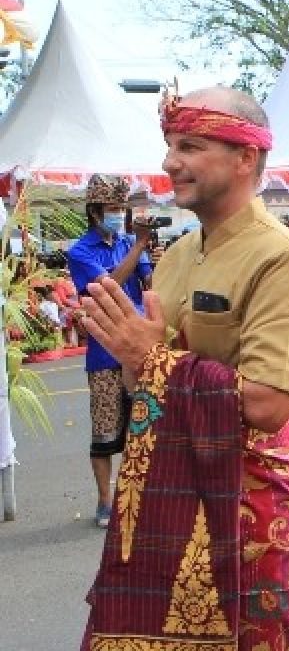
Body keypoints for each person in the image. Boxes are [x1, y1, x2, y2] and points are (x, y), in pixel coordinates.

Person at [79, 85, 289, 649]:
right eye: (169, 145)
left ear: (245, 157)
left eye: (189, 145)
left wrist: (154, 361)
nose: (170, 162)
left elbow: (268, 404)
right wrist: (135, 362)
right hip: (172, 485)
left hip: (256, 499)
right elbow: (144, 380)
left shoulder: (282, 257)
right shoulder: (179, 256)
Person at [66, 174, 155, 528]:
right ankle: (105, 500)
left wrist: (146, 252)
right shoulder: (81, 251)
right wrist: (138, 248)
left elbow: (148, 283)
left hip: (139, 344)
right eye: (112, 208)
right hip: (104, 348)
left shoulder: (130, 241)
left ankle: (136, 497)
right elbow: (108, 287)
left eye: (122, 207)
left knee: (143, 426)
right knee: (105, 431)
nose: (118, 214)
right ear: (95, 211)